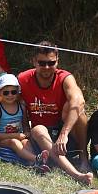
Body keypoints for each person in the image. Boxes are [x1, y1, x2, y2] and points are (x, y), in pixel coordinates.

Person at [18, 43, 93, 185]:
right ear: (34, 61)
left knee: (78, 110)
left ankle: (83, 156)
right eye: (42, 63)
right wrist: (25, 128)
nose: (47, 67)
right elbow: (16, 104)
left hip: (63, 135)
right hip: (40, 136)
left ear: (57, 61)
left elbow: (79, 101)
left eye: (51, 63)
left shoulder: (65, 77)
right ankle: (75, 174)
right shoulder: (23, 79)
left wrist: (63, 135)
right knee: (38, 129)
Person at [0, 73, 50, 171]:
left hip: (19, 137)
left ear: (18, 92)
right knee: (14, 142)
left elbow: (25, 125)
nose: (10, 95)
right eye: (6, 93)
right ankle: (37, 159)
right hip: (1, 141)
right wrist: (15, 135)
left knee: (26, 142)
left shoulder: (21, 106)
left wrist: (26, 133)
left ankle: (33, 165)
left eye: (13, 92)